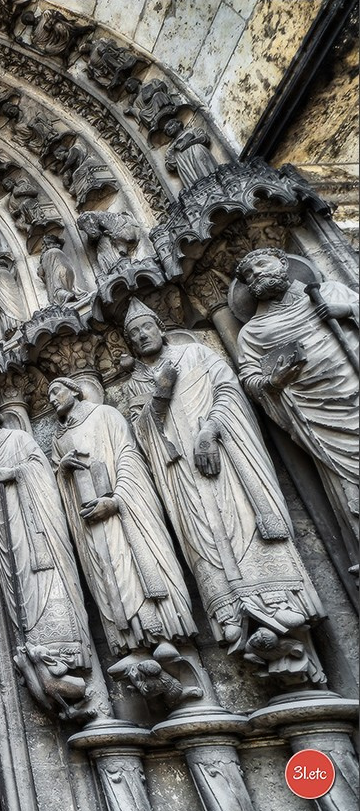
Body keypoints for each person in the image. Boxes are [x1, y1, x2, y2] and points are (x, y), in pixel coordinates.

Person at [122, 298, 325, 676]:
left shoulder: (196, 353)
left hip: (222, 458)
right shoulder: (136, 382)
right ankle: (230, 610)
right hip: (180, 475)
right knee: (201, 537)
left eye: (146, 328)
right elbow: (141, 432)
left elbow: (229, 391)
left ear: (160, 327)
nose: (140, 336)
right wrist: (160, 396)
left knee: (243, 520)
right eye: (132, 334)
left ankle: (277, 600)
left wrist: (211, 430)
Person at [0, 383, 95, 719]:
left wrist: (16, 474)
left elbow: (43, 477)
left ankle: (62, 659)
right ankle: (42, 660)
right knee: (21, 589)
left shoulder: (20, 440)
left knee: (47, 585)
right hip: (7, 537)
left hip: (35, 528)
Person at [48, 377, 196, 655]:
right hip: (91, 521)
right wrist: (64, 471)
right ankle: (132, 644)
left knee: (131, 565)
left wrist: (117, 501)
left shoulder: (107, 415)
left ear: (75, 390)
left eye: (56, 391)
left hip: (121, 510)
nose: (52, 399)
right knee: (107, 573)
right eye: (48, 396)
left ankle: (163, 635)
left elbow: (129, 458)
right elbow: (59, 488)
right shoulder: (59, 439)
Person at [233, 248, 359, 547]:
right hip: (317, 417)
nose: (256, 274)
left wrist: (347, 310)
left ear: (283, 262)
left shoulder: (329, 292)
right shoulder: (252, 332)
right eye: (248, 275)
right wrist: (272, 382)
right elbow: (249, 378)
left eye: (261, 264)